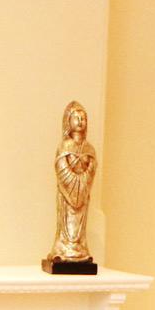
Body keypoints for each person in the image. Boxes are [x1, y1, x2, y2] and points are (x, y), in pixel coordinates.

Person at [49, 101, 97, 267]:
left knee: (80, 223)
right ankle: (63, 248)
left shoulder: (89, 148)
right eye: (76, 117)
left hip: (83, 192)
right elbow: (60, 166)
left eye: (83, 118)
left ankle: (80, 249)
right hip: (67, 193)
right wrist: (72, 182)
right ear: (68, 121)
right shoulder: (64, 146)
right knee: (65, 221)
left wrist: (83, 179)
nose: (80, 121)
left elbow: (92, 166)